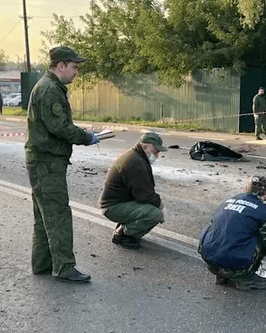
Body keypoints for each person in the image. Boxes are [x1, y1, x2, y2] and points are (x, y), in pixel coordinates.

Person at [25, 46, 100, 283]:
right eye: (74, 67)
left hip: (41, 161)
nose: (76, 72)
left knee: (44, 215)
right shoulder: (50, 90)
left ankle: (43, 264)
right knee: (57, 215)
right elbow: (59, 128)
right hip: (47, 162)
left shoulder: (48, 86)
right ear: (61, 65)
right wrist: (87, 137)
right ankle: (64, 267)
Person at [198, 176, 266, 290]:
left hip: (210, 263)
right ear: (265, 196)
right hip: (237, 268)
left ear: (244, 189)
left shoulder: (225, 203)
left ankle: (223, 275)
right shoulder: (265, 215)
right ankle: (245, 278)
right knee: (263, 236)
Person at [99, 132, 167, 249]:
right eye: (155, 150)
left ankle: (127, 226)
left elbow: (143, 190)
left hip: (118, 202)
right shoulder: (136, 162)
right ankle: (122, 235)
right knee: (154, 214)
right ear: (145, 146)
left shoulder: (136, 156)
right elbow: (145, 195)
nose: (157, 154)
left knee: (152, 207)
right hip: (112, 207)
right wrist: (162, 207)